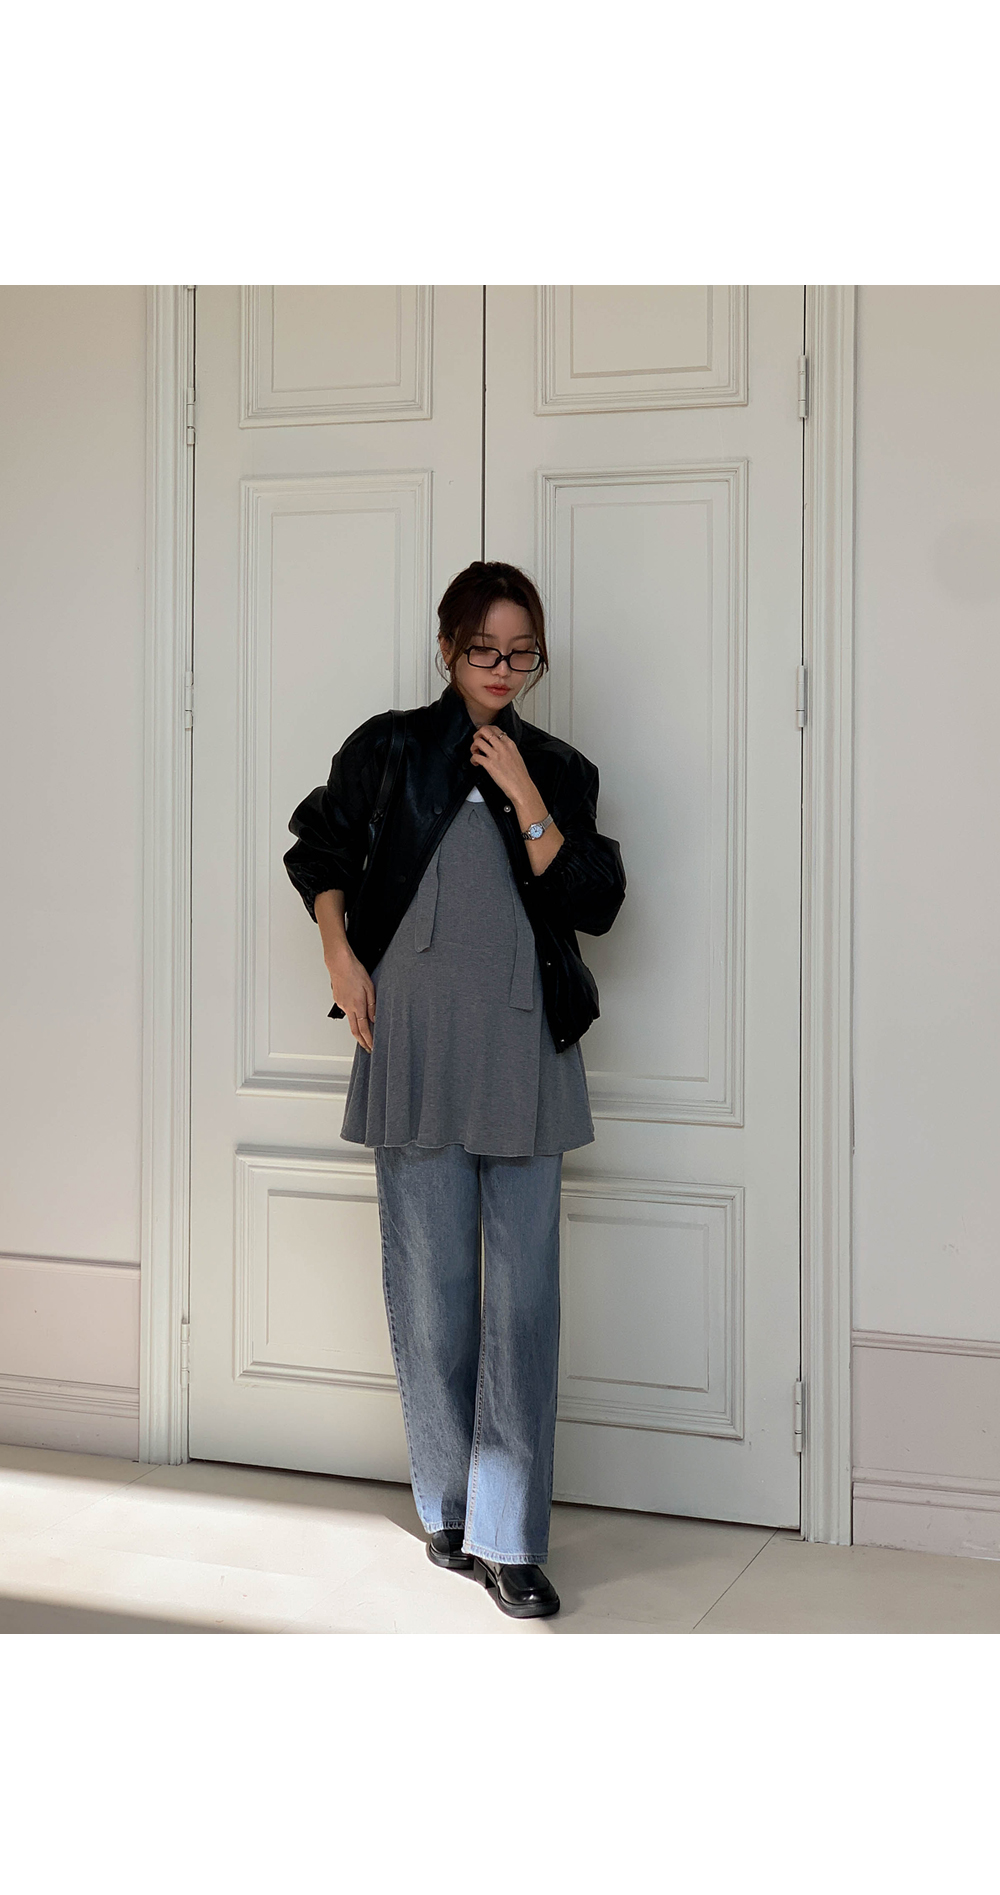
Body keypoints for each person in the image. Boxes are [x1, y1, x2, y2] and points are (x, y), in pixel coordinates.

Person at [284, 561, 626, 1619]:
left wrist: (526, 795)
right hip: (415, 1040)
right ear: (447, 648)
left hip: (524, 1043)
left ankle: (511, 1538)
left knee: (522, 1301)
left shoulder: (558, 768)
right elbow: (317, 850)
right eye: (484, 648)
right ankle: (449, 1506)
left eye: (523, 653)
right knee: (431, 1289)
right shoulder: (387, 749)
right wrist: (340, 957)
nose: (503, 668)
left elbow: (597, 900)